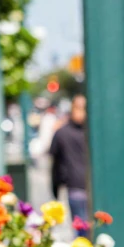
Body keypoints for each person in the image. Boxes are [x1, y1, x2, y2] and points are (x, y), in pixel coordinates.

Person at [48, 94, 90, 238]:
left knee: (85, 230)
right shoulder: (63, 133)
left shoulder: (63, 132)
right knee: (83, 230)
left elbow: (55, 163)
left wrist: (55, 188)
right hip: (77, 187)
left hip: (80, 187)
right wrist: (56, 187)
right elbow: (56, 164)